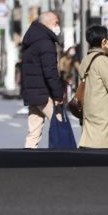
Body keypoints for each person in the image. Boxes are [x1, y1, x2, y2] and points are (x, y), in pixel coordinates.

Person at [20, 11, 64, 149]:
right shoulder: (45, 43)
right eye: (56, 22)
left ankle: (28, 155)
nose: (58, 26)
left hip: (33, 92)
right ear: (47, 23)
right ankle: (65, 154)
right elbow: (50, 72)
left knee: (34, 130)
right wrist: (58, 95)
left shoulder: (31, 39)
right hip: (43, 94)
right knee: (60, 124)